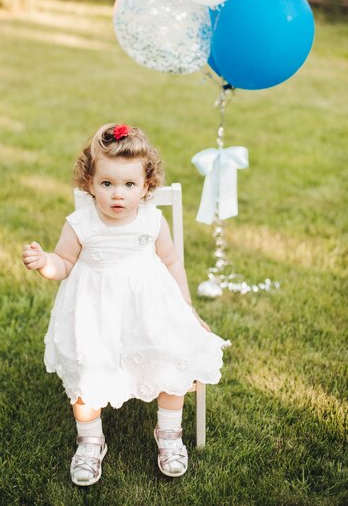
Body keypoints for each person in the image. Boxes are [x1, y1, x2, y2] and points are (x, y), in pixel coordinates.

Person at [22, 123, 230, 486]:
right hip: (94, 312)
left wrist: (186, 309)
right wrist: (46, 263)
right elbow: (64, 263)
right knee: (87, 372)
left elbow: (172, 262)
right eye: (107, 184)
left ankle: (168, 434)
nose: (118, 195)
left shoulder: (151, 219)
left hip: (149, 309)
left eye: (129, 185)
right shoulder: (80, 222)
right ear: (89, 183)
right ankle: (90, 441)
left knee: (174, 358)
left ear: (147, 186)